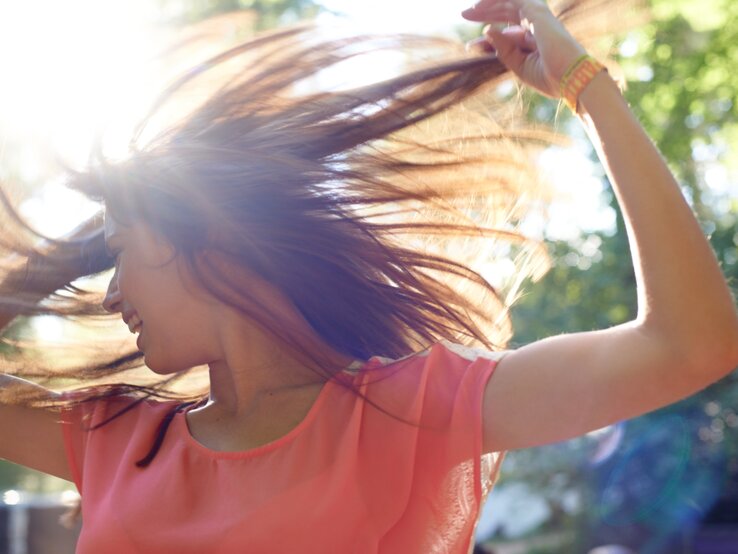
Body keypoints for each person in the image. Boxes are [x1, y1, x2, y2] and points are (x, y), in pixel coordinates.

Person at [0, 0, 736, 552]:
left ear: (206, 236)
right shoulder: (117, 436)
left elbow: (692, 342)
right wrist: (50, 266)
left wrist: (584, 85)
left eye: (119, 253)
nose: (110, 292)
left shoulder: (409, 414)